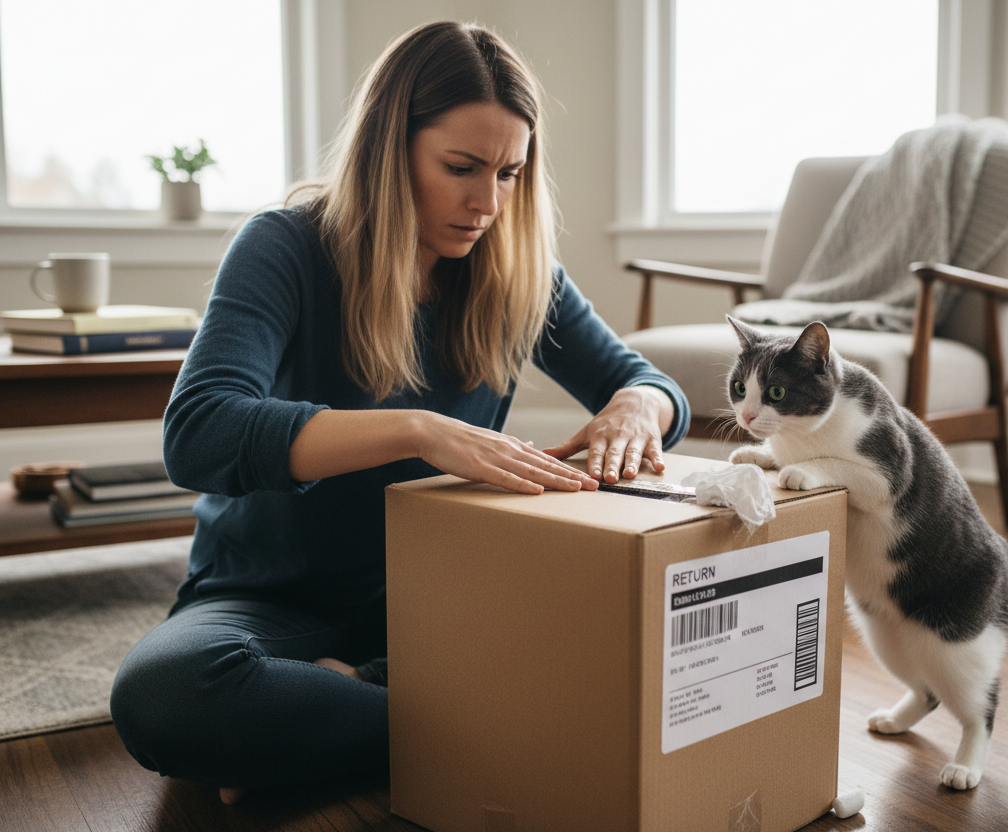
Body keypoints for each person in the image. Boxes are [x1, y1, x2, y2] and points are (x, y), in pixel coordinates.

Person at [109, 21, 690, 805]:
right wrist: (418, 430)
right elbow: (200, 432)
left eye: (510, 173)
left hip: (451, 598)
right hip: (270, 596)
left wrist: (634, 408)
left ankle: (344, 710)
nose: (487, 202)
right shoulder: (286, 245)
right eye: (460, 167)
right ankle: (481, 723)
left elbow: (649, 382)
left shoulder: (517, 270)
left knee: (647, 633)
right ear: (391, 148)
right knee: (168, 698)